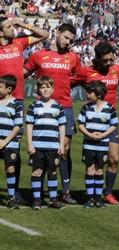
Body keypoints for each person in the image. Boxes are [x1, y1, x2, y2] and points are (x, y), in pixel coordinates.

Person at [24, 23, 80, 205]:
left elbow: (82, 77)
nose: (68, 42)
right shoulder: (39, 55)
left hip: (65, 108)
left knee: (63, 151)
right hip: (42, 109)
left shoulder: (73, 58)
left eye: (71, 40)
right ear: (57, 33)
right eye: (65, 37)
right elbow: (22, 73)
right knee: (40, 150)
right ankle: (38, 194)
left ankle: (64, 192)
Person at [0, 17, 48, 205]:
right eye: (9, 26)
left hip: (16, 102)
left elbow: (44, 34)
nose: (13, 29)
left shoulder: (19, 42)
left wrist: (23, 25)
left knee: (13, 150)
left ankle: (14, 191)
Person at [75, 42, 119, 204]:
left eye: (111, 59)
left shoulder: (117, 70)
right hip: (93, 124)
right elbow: (68, 82)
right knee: (93, 162)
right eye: (105, 61)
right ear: (97, 58)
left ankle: (108, 193)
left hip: (110, 123)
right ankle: (92, 194)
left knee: (114, 159)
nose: (109, 63)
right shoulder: (87, 72)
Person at [26, 77, 66, 210]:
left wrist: (61, 144)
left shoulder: (58, 106)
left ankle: (53, 199)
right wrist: (30, 143)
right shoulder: (33, 106)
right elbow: (29, 125)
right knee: (37, 172)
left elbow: (61, 126)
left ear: (53, 89)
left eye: (48, 87)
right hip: (38, 146)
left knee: (52, 172)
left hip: (53, 146)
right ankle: (37, 199)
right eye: (42, 87)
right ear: (38, 90)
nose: (45, 90)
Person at [77, 81, 118, 208]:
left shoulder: (109, 108)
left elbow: (114, 125)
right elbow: (80, 125)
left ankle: (98, 198)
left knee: (99, 170)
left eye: (90, 92)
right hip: (89, 144)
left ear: (98, 94)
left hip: (102, 144)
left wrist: (104, 134)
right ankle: (90, 198)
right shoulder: (86, 107)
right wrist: (89, 135)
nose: (87, 94)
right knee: (90, 169)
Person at [0, 76, 23, 209]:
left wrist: (5, 141)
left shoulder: (16, 104)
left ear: (9, 89)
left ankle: (11, 197)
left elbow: (17, 126)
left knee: (10, 168)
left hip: (10, 143)